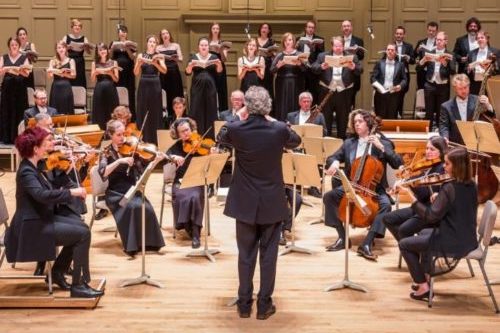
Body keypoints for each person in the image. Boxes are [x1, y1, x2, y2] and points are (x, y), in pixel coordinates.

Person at [217, 86, 301, 320]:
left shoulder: (236, 128)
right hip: (272, 201)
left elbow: (220, 136)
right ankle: (263, 305)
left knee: (245, 254)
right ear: (268, 106)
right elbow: (296, 140)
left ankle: (244, 304)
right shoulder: (279, 130)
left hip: (244, 201)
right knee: (268, 255)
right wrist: (272, 118)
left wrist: (241, 113)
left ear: (246, 105)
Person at [5, 127, 103, 298]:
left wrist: (73, 164)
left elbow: (52, 181)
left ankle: (58, 272)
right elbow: (42, 195)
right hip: (31, 227)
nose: (49, 146)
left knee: (81, 227)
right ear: (35, 149)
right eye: (45, 144)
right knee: (82, 234)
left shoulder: (35, 166)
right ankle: (78, 286)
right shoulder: (26, 171)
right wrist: (72, 192)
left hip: (39, 219)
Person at [397, 147, 478, 301]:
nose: (443, 167)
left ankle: (423, 286)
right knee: (424, 234)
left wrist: (411, 197)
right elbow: (459, 207)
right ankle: (425, 275)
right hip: (468, 237)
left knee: (404, 244)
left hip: (453, 240)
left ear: (457, 166)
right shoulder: (472, 185)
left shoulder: (449, 187)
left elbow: (430, 217)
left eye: (447, 164)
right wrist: (440, 200)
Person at [323, 109, 402, 260]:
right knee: (329, 197)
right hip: (352, 185)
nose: (356, 124)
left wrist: (381, 147)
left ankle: (367, 242)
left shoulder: (383, 142)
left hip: (374, 189)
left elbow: (398, 163)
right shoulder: (349, 143)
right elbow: (332, 157)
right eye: (355, 122)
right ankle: (342, 237)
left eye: (360, 121)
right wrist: (334, 162)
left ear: (369, 123)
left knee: (386, 205)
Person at [98, 119, 166, 256]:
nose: (122, 137)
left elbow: (143, 170)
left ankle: (150, 243)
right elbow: (102, 172)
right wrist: (119, 161)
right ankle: (132, 245)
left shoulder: (131, 150)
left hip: (132, 191)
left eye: (123, 134)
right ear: (111, 135)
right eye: (118, 135)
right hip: (115, 193)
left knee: (146, 208)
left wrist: (156, 160)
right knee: (131, 208)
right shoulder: (106, 152)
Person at [383, 136, 447, 242]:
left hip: (429, 211)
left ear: (441, 151)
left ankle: (411, 247)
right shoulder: (429, 166)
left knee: (403, 229)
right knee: (387, 218)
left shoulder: (441, 169)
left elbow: (424, 193)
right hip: (418, 208)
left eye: (432, 149)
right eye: (427, 148)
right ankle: (411, 247)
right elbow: (417, 179)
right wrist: (403, 182)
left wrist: (408, 184)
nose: (428, 152)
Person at [166, 118, 210, 249]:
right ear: (178, 134)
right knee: (182, 196)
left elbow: (210, 160)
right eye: (182, 132)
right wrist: (173, 157)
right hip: (180, 181)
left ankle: (195, 232)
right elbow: (166, 156)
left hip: (197, 180)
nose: (186, 134)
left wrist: (212, 152)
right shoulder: (177, 146)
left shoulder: (200, 144)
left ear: (191, 129)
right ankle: (186, 225)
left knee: (195, 197)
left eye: (187, 130)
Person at [311, 36, 362, 138]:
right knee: (326, 120)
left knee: (343, 120)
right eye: (336, 46)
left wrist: (354, 67)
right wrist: (321, 67)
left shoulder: (352, 57)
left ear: (343, 46)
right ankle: (326, 142)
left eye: (340, 46)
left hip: (344, 92)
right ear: (332, 46)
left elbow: (360, 70)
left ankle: (342, 142)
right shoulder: (322, 56)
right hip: (327, 91)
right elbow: (313, 68)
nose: (338, 48)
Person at [439, 74, 495, 144]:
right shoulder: (446, 106)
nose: (463, 91)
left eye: (465, 87)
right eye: (460, 88)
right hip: (456, 143)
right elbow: (444, 126)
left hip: (475, 142)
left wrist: (488, 105)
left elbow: (491, 117)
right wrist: (445, 137)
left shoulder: (478, 101)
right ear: (454, 88)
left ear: (469, 86)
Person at [186, 37, 222, 139]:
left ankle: (210, 138)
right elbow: (188, 73)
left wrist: (219, 64)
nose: (204, 47)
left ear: (208, 47)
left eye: (206, 45)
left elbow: (219, 71)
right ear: (198, 47)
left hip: (210, 87)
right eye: (202, 45)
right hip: (197, 87)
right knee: (196, 110)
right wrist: (190, 66)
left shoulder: (213, 56)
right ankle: (196, 136)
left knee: (210, 110)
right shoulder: (193, 57)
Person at [419, 31, 456, 131]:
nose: (438, 42)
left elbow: (453, 71)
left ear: (445, 41)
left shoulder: (450, 54)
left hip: (443, 87)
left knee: (442, 112)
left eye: (440, 40)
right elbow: (418, 69)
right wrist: (423, 60)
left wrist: (445, 63)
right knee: (429, 112)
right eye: (437, 40)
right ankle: (428, 133)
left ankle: (441, 134)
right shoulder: (430, 52)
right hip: (430, 85)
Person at [134, 34, 166, 145]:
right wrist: (139, 63)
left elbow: (164, 71)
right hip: (143, 83)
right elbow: (136, 72)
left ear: (156, 45)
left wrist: (155, 63)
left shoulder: (159, 56)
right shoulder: (140, 55)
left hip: (155, 83)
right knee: (143, 109)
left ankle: (154, 140)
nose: (152, 44)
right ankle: (142, 139)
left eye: (154, 42)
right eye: (150, 42)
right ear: (147, 43)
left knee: (155, 111)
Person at [0, 36, 30, 144]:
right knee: (7, 110)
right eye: (12, 45)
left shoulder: (24, 58)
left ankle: (19, 136)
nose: (14, 47)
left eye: (16, 45)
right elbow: (0, 72)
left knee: (19, 110)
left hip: (19, 88)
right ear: (9, 46)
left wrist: (20, 70)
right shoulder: (4, 57)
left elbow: (27, 74)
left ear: (19, 46)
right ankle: (6, 137)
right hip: (7, 89)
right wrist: (7, 69)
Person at [270, 32, 306, 122]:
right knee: (282, 103)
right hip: (282, 83)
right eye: (285, 40)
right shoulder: (280, 55)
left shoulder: (299, 54)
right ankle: (282, 124)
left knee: (294, 102)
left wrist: (300, 64)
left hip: (296, 82)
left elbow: (306, 69)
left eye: (289, 40)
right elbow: (271, 70)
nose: (288, 42)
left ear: (293, 41)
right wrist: (278, 66)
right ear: (283, 42)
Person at [370, 43, 407, 119]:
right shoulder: (379, 63)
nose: (390, 51)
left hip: (394, 95)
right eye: (388, 50)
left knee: (392, 118)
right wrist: (379, 87)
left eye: (392, 50)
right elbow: (373, 78)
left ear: (396, 52)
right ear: (386, 51)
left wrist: (400, 86)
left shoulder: (400, 65)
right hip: (380, 94)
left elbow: (404, 79)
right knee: (379, 119)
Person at [110, 25, 137, 119]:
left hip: (129, 72)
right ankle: (117, 115)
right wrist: (112, 48)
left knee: (129, 92)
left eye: (125, 31)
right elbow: (110, 57)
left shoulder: (131, 44)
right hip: (118, 72)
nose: (123, 33)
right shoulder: (113, 43)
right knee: (117, 92)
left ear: (127, 33)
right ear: (118, 33)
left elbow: (133, 57)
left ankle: (130, 117)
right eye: (121, 31)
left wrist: (127, 48)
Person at [91, 42, 119, 130]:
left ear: (107, 50)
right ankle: (100, 131)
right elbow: (92, 80)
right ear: (97, 52)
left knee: (111, 110)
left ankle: (111, 132)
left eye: (104, 49)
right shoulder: (94, 63)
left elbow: (116, 79)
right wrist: (95, 72)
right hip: (99, 89)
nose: (102, 51)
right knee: (99, 111)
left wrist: (110, 73)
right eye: (100, 50)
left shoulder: (114, 62)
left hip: (111, 89)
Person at [296, 20, 324, 104]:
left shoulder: (320, 40)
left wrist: (313, 48)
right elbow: (295, 53)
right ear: (305, 28)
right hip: (301, 69)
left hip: (313, 70)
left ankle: (313, 113)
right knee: (301, 91)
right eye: (309, 27)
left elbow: (321, 55)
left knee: (314, 93)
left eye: (313, 28)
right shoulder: (299, 39)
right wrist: (296, 47)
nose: (311, 29)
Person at [157, 29, 184, 117]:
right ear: (161, 36)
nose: (165, 35)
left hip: (174, 72)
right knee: (165, 93)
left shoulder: (176, 45)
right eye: (163, 34)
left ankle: (177, 115)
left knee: (175, 92)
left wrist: (175, 58)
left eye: (167, 33)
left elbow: (181, 59)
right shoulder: (158, 47)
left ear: (169, 35)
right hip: (163, 72)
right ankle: (166, 117)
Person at [466, 30, 500, 95]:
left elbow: (498, 69)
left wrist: (489, 67)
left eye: (482, 37)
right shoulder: (471, 53)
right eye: (478, 38)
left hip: (488, 83)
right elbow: (466, 70)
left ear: (487, 39)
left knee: (488, 104)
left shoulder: (495, 52)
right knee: (475, 104)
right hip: (474, 84)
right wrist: (470, 68)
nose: (480, 39)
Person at [47, 41, 76, 115]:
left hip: (66, 87)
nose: (61, 49)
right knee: (55, 109)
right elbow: (49, 77)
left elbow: (74, 75)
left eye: (63, 47)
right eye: (59, 47)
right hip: (56, 87)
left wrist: (64, 74)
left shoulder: (71, 60)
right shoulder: (52, 61)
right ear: (56, 49)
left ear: (66, 48)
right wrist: (51, 71)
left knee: (66, 109)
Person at [341, 20, 365, 108]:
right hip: (341, 73)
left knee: (352, 98)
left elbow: (362, 57)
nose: (346, 28)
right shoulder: (338, 40)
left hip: (353, 73)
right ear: (341, 28)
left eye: (348, 26)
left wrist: (356, 52)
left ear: (351, 28)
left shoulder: (358, 40)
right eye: (344, 26)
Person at [393, 26, 415, 118]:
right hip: (392, 76)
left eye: (401, 34)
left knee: (401, 98)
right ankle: (392, 117)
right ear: (395, 34)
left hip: (403, 76)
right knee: (392, 98)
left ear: (404, 35)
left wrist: (408, 58)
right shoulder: (390, 46)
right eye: (397, 33)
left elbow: (413, 61)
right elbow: (384, 59)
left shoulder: (409, 46)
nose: (399, 35)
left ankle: (400, 116)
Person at [208, 22, 229, 112]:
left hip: (220, 69)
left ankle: (222, 112)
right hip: (210, 68)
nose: (215, 30)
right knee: (210, 89)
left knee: (221, 90)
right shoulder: (207, 43)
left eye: (217, 29)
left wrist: (220, 50)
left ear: (219, 30)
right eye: (214, 28)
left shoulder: (223, 43)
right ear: (211, 30)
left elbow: (224, 59)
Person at [63, 19, 90, 88]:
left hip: (80, 62)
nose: (77, 27)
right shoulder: (66, 37)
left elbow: (88, 52)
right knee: (70, 80)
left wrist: (85, 47)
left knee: (80, 81)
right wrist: (67, 48)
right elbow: (60, 49)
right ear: (72, 27)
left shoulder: (84, 38)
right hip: (69, 62)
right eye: (75, 25)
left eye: (79, 26)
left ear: (81, 28)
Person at [414, 22, 439, 90]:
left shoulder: (439, 43)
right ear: (427, 30)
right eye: (429, 30)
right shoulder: (421, 42)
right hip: (422, 71)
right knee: (421, 91)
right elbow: (414, 55)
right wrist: (417, 51)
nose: (431, 32)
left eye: (433, 31)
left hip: (433, 72)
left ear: (436, 32)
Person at [256, 23, 276, 101]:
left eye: (266, 28)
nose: (264, 29)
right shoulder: (255, 40)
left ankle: (269, 110)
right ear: (260, 30)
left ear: (269, 30)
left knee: (268, 87)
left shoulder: (272, 41)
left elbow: (275, 55)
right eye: (262, 28)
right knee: (257, 86)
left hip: (268, 66)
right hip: (257, 66)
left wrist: (272, 53)